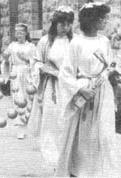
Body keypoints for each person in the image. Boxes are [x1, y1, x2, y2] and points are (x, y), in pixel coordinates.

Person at [56, 2, 116, 177]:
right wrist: (81, 90)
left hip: (102, 93)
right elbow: (65, 73)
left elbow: (109, 64)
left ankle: (98, 173)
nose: (105, 21)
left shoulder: (104, 41)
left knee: (102, 134)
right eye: (102, 18)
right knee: (83, 137)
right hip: (84, 95)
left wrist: (111, 72)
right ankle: (79, 172)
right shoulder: (77, 43)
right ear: (91, 20)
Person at [27, 6, 75, 170]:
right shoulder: (45, 41)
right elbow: (36, 61)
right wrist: (43, 69)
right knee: (51, 120)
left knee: (66, 120)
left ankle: (66, 157)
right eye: (62, 23)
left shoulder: (73, 42)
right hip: (52, 87)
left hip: (68, 87)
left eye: (68, 24)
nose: (65, 27)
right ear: (55, 24)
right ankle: (52, 160)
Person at [1, 23, 38, 139]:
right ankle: (20, 127)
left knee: (27, 99)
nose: (19, 35)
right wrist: (6, 56)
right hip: (16, 73)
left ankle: (27, 125)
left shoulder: (31, 47)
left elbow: (36, 62)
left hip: (27, 73)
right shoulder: (12, 45)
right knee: (17, 98)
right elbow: (6, 59)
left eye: (21, 33)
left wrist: (26, 59)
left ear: (26, 33)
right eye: (17, 33)